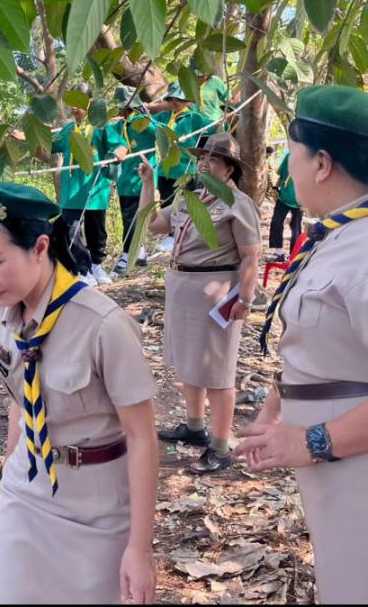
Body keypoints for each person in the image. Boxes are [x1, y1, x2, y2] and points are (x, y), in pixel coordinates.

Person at [0, 181, 158, 604]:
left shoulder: (103, 325)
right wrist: (5, 484)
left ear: (40, 247)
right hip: (26, 485)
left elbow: (142, 436)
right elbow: (21, 403)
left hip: (96, 504)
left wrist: (139, 549)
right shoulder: (0, 317)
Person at [237, 85, 368, 605]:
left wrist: (310, 441)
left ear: (322, 164)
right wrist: (277, 408)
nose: (286, 171)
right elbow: (321, 345)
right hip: (334, 467)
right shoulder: (335, 237)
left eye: (292, 155)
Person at [140, 132, 261, 473]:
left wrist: (246, 299)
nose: (204, 164)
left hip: (215, 292)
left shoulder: (237, 203)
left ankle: (220, 447)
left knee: (217, 372)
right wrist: (148, 183)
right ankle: (195, 427)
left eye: (214, 160)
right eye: (202, 158)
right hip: (182, 287)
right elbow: (154, 224)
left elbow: (250, 255)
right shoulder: (189, 198)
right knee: (189, 362)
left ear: (229, 169)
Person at [52, 84, 126, 286]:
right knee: (71, 230)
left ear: (90, 102)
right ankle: (82, 269)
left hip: (95, 187)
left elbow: (119, 144)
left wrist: (120, 151)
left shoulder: (101, 126)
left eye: (78, 103)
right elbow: (50, 143)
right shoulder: (68, 130)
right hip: (72, 190)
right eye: (71, 104)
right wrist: (27, 138)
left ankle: (96, 265)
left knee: (96, 231)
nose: (73, 108)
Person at [150, 82, 212, 253]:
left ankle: (178, 235)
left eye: (179, 99)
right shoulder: (165, 116)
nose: (175, 102)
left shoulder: (194, 118)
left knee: (183, 203)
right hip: (165, 168)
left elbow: (215, 127)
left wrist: (227, 120)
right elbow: (150, 123)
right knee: (167, 202)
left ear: (186, 101)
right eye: (172, 99)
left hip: (185, 168)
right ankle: (171, 233)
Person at [111, 86, 159, 276]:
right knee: (129, 217)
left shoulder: (143, 122)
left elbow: (160, 132)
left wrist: (148, 115)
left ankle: (127, 255)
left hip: (140, 179)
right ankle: (139, 252)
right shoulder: (120, 125)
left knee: (132, 217)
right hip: (125, 180)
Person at [266, 149, 302, 261]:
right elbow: (282, 176)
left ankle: (293, 256)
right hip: (283, 198)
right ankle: (278, 253)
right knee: (276, 222)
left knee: (295, 228)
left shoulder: (309, 160)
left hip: (299, 202)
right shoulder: (288, 157)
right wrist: (275, 188)